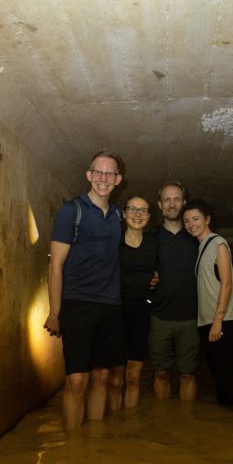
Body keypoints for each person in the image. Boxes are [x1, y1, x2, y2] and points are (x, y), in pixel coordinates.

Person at [44, 150, 127, 431]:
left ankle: (93, 448)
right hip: (77, 304)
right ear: (89, 175)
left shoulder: (118, 216)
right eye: (99, 172)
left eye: (110, 173)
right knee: (77, 380)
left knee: (102, 376)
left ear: (118, 179)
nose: (104, 178)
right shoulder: (72, 211)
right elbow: (55, 266)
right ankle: (71, 447)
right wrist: (55, 312)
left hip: (110, 306)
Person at [182, 199, 233, 417]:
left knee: (225, 380)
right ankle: (226, 427)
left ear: (207, 219)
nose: (191, 224)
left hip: (223, 321)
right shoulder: (201, 247)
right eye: (187, 221)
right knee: (219, 380)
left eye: (196, 219)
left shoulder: (218, 243)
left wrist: (217, 321)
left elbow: (227, 283)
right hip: (208, 322)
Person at [148, 181, 200, 400]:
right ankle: (164, 426)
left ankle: (186, 428)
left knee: (187, 374)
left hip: (191, 317)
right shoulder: (150, 238)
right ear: (160, 205)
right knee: (161, 373)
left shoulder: (197, 237)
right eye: (167, 200)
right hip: (159, 317)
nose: (172, 204)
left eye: (176, 199)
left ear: (184, 202)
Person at [118, 196, 158, 408]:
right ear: (124, 214)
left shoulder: (154, 243)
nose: (137, 214)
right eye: (132, 209)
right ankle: (109, 432)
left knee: (133, 377)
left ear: (149, 217)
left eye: (143, 210)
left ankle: (129, 429)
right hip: (114, 314)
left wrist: (158, 276)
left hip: (141, 314)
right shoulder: (112, 241)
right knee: (114, 379)